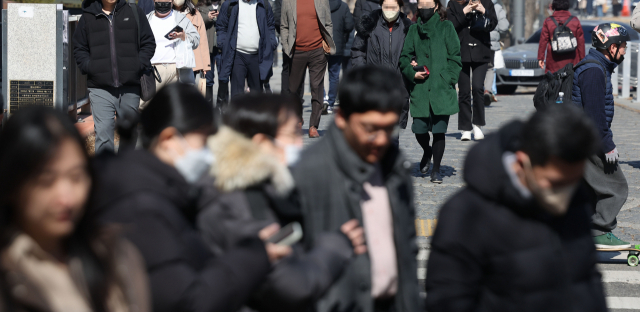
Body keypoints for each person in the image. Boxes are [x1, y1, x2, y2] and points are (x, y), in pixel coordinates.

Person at [90, 83, 274, 312]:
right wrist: (252, 257)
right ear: (169, 140)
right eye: (204, 141)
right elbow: (186, 301)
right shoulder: (142, 209)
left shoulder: (160, 189)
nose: (209, 154)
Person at [425, 105, 606, 312]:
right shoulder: (465, 214)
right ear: (522, 162)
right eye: (555, 183)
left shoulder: (575, 199)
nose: (565, 192)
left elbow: (588, 279)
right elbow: (448, 300)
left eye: (573, 182)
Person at [198, 93, 366, 312]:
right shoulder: (242, 201)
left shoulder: (264, 188)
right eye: (293, 134)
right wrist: (334, 247)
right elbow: (291, 286)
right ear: (261, 143)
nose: (300, 143)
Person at [293, 66, 423, 312]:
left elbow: (407, 244)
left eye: (389, 129)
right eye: (371, 129)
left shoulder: (395, 166)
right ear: (342, 118)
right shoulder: (307, 174)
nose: (382, 140)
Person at [0, 106, 150, 312]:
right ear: (11, 184)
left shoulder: (119, 257)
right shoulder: (9, 274)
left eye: (76, 177)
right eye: (46, 181)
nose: (66, 198)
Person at [73, 0, 156, 154]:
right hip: (100, 87)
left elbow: (148, 43)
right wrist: (90, 67)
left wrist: (137, 65)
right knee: (103, 134)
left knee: (130, 133)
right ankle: (106, 175)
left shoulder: (134, 12)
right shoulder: (87, 17)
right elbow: (79, 48)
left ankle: (125, 171)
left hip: (130, 86)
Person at [572, 23, 632, 249]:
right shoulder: (594, 71)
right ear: (611, 47)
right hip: (589, 141)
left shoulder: (596, 66)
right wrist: (608, 146)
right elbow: (595, 117)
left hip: (581, 138)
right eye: (623, 45)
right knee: (616, 187)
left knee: (589, 190)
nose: (625, 50)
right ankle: (600, 231)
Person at [399, 0, 462, 183]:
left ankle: (436, 169)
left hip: (441, 88)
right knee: (419, 129)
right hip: (420, 87)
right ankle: (427, 151)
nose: (424, 9)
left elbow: (455, 57)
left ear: (436, 6)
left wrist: (448, 78)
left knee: (439, 130)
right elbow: (404, 57)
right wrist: (412, 72)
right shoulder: (413, 29)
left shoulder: (446, 27)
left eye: (428, 5)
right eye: (421, 5)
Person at [280, 0, 335, 138]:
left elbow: (328, 23)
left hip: (318, 50)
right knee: (293, 89)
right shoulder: (288, 0)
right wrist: (287, 44)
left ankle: (313, 125)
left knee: (316, 87)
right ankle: (297, 118)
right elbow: (284, 25)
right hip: (296, 50)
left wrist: (327, 41)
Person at [351, 0, 412, 133]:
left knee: (394, 132)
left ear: (400, 7)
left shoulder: (408, 27)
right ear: (380, 6)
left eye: (394, 7)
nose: (389, 11)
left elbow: (414, 52)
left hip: (399, 84)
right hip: (374, 83)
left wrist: (413, 64)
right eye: (386, 7)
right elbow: (357, 50)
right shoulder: (369, 23)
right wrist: (363, 70)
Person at [447, 0, 497, 141]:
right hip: (460, 51)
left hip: (481, 51)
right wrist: (465, 11)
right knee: (463, 93)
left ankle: (478, 125)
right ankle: (465, 128)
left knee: (477, 88)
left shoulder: (487, 2)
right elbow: (450, 25)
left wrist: (484, 11)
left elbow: (493, 24)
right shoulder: (454, 3)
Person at [216, 0, 276, 97]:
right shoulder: (230, 5)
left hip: (257, 55)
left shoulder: (264, 5)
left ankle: (255, 117)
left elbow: (271, 26)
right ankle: (237, 117)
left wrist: (271, 43)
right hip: (237, 55)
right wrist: (222, 44)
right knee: (237, 94)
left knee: (256, 95)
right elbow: (221, 27)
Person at [146, 0, 200, 91]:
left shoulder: (181, 19)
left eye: (166, 3)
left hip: (176, 70)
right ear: (154, 2)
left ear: (172, 2)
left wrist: (184, 36)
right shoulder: (147, 20)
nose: (162, 5)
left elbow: (196, 40)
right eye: (159, 3)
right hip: (152, 70)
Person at [319, 0, 354, 114]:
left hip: (319, 43)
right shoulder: (343, 5)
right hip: (337, 44)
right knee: (334, 74)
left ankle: (322, 99)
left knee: (318, 74)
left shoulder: (317, 4)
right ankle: (332, 102)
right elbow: (350, 25)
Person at [168, 0, 210, 85]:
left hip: (190, 62)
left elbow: (202, 40)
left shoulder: (195, 14)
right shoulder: (164, 14)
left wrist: (205, 65)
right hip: (169, 61)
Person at [537, 0, 586, 74]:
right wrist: (582, 58)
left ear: (553, 6)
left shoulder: (548, 21)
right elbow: (580, 40)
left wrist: (541, 58)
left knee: (554, 83)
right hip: (572, 58)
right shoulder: (574, 20)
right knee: (570, 82)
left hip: (553, 58)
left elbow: (543, 40)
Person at [197, 0, 226, 102]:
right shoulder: (201, 6)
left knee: (223, 77)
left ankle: (222, 104)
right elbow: (197, 24)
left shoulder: (226, 4)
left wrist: (222, 17)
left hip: (221, 47)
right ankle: (207, 105)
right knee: (208, 79)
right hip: (207, 48)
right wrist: (208, 17)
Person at [483, 0, 509, 104]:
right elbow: (504, 27)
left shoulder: (472, 4)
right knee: (489, 68)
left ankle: (476, 90)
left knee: (474, 67)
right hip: (491, 43)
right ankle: (487, 91)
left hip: (474, 42)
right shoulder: (497, 7)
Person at [257, 0, 281, 92]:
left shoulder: (269, 4)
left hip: (266, 42)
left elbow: (276, 22)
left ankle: (266, 84)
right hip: (253, 42)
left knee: (265, 68)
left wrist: (274, 40)